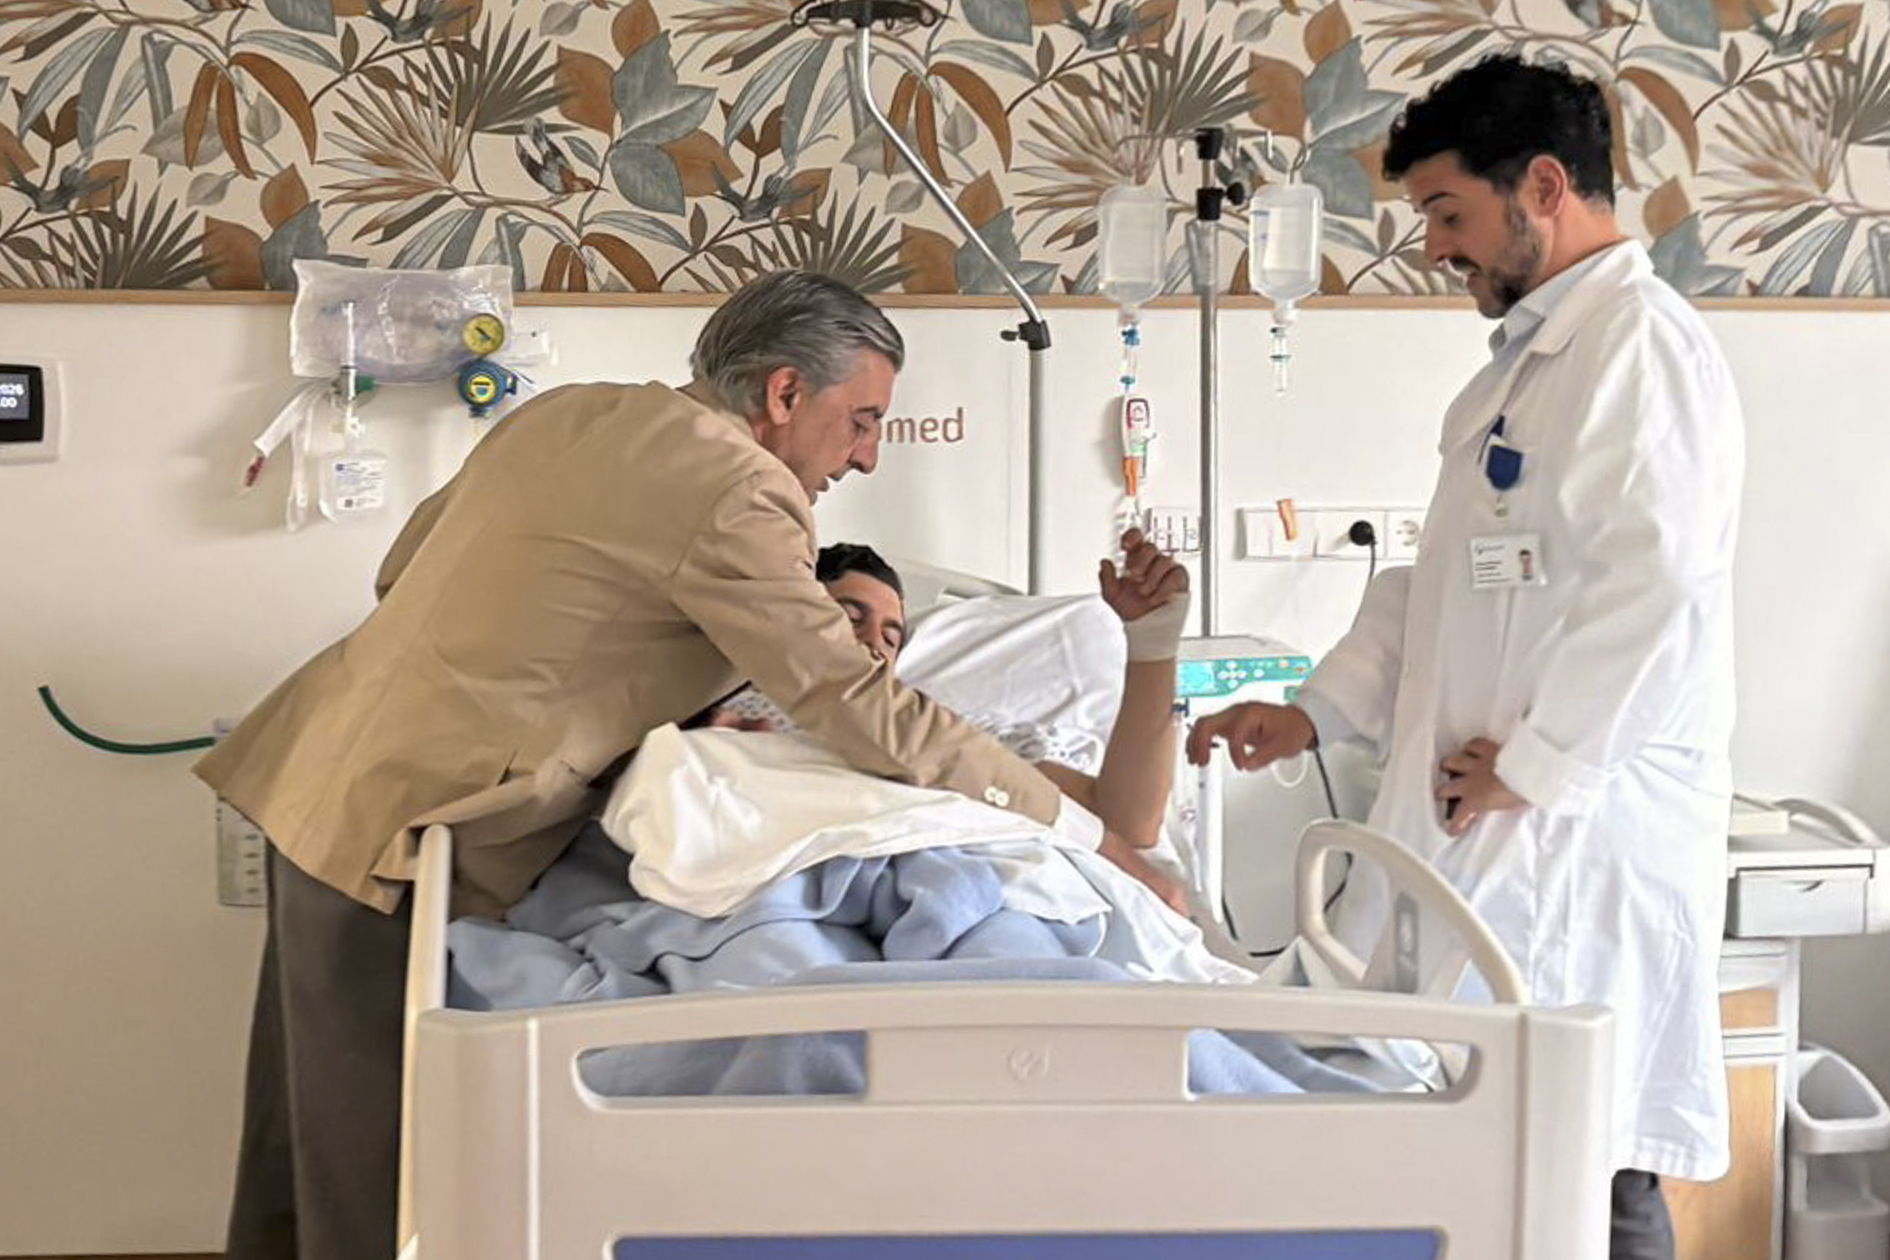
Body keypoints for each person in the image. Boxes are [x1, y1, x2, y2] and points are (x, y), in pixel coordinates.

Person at [196, 271, 1125, 1260]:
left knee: (296, 1139)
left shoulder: (572, 413)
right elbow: (854, 702)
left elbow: (403, 567)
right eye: (862, 420)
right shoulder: (738, 488)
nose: (865, 454)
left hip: (322, 764)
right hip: (400, 824)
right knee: (374, 1172)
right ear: (783, 394)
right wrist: (1084, 831)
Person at [1186, 55, 1743, 1259]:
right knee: (1508, 1156)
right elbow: (1438, 584)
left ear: (1542, 186)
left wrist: (1537, 767)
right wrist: (1313, 712)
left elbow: (1660, 588)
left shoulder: (1641, 350)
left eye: (1449, 214)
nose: (1436, 248)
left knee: (1593, 1169)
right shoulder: (1520, 375)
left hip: (1574, 846)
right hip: (1491, 830)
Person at [710, 531, 1191, 906]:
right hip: (767, 888)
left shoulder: (952, 735)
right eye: (850, 617)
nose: (873, 642)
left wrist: (1153, 644)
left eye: (891, 637)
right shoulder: (722, 707)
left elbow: (1129, 823)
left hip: (941, 890)